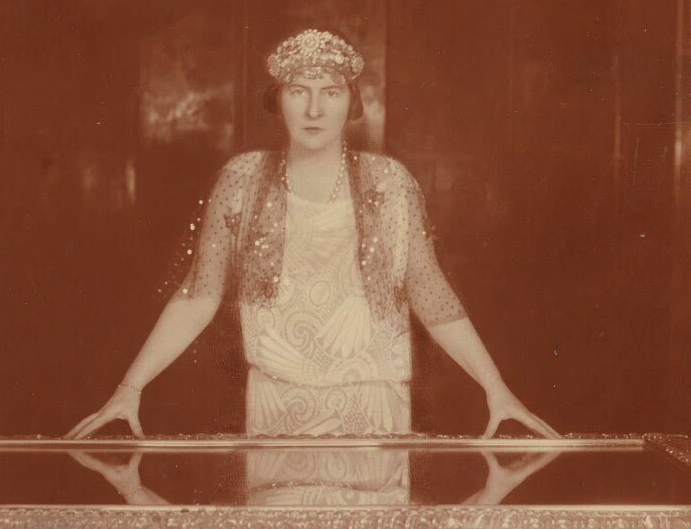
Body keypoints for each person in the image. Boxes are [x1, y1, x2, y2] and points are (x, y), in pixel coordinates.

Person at [66, 28, 561, 440]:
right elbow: (199, 295)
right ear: (278, 100)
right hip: (276, 407)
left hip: (375, 408)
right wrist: (129, 388)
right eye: (299, 91)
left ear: (352, 103)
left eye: (331, 92)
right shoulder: (241, 180)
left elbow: (430, 293)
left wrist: (496, 388)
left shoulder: (390, 183)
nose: (314, 110)